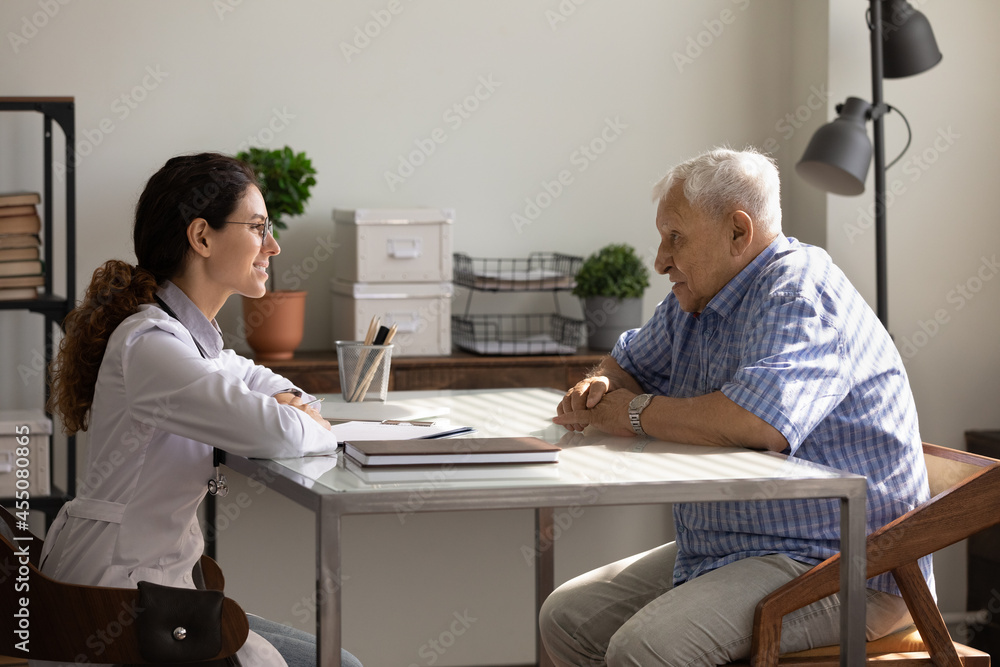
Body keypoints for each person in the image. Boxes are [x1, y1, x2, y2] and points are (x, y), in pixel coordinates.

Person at [540, 147, 931, 666]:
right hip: (738, 545)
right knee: (567, 618)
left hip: (839, 563)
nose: (660, 261)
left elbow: (756, 424)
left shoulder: (798, 293)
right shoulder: (698, 295)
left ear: (738, 233)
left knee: (645, 649)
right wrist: (599, 385)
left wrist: (631, 413)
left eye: (674, 238)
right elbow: (628, 363)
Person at [40, 153, 362, 667]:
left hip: (154, 587)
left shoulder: (193, 344)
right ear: (202, 237)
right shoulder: (152, 344)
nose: (273, 246)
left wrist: (297, 411)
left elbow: (281, 393)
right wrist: (297, 419)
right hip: (111, 603)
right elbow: (275, 427)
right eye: (258, 228)